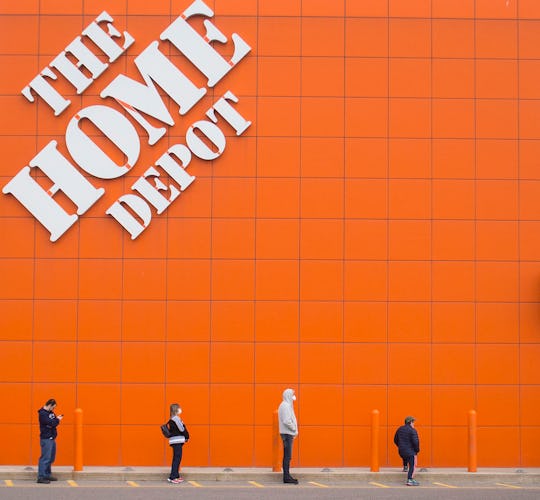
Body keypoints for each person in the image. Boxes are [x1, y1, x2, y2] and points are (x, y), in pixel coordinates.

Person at [37, 399, 63, 484]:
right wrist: (57, 420)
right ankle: (41, 477)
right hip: (46, 438)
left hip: (52, 438)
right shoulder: (42, 414)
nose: (53, 410)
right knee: (45, 458)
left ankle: (47, 474)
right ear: (49, 405)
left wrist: (55, 420)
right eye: (53, 407)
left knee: (51, 458)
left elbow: (53, 422)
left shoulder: (50, 413)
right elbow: (52, 423)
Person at [278, 388, 299, 484]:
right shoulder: (285, 406)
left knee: (287, 456)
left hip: (287, 433)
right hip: (287, 433)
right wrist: (294, 428)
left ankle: (287, 476)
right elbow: (286, 421)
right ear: (288, 395)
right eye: (292, 395)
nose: (293, 397)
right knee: (287, 456)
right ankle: (286, 477)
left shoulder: (285, 405)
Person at [393, 416, 420, 486]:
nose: (414, 424)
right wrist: (417, 450)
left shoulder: (400, 429)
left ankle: (405, 466)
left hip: (401, 451)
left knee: (405, 456)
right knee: (413, 465)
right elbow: (415, 442)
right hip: (410, 451)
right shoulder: (412, 430)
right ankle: (410, 479)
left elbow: (395, 440)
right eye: (413, 422)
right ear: (410, 422)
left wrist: (400, 446)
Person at [166, 403, 189, 484]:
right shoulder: (176, 418)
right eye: (179, 408)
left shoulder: (171, 418)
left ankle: (176, 475)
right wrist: (187, 436)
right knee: (177, 459)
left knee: (176, 458)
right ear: (176, 409)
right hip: (177, 441)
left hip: (173, 440)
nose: (180, 409)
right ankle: (172, 477)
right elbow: (182, 429)